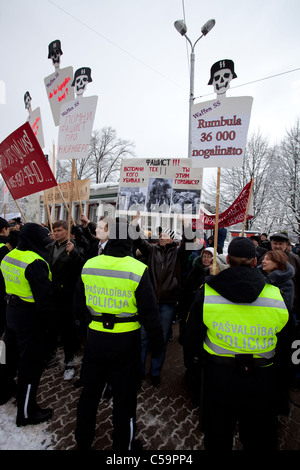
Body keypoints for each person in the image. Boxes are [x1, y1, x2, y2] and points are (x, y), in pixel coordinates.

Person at [185, 236, 290, 450]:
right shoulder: (275, 294)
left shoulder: (208, 292)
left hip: (219, 379)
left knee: (217, 438)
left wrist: (195, 369)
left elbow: (191, 337)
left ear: (229, 261)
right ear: (254, 261)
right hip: (262, 381)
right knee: (259, 440)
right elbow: (288, 342)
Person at [74, 218, 164, 451]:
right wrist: (157, 344)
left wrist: (89, 322)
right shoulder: (137, 268)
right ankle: (123, 446)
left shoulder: (90, 264)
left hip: (95, 338)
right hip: (126, 341)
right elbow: (150, 313)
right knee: (125, 398)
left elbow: (78, 305)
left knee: (90, 393)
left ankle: (83, 441)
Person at [0, 223, 55, 426]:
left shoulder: (9, 255)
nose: (47, 244)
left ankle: (4, 391)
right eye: (44, 240)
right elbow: (45, 301)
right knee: (30, 367)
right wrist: (51, 327)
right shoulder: (35, 262)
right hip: (30, 318)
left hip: (11, 312)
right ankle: (26, 413)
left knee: (9, 357)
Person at [132, 218, 192, 387]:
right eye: (160, 235)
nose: (161, 237)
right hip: (149, 302)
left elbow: (189, 242)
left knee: (162, 338)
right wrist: (136, 223)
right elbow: (137, 238)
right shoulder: (151, 251)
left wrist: (186, 224)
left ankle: (155, 372)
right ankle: (139, 371)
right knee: (143, 337)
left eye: (165, 235)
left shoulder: (178, 254)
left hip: (168, 303)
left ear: (172, 239)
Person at [46, 220, 85, 380]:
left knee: (68, 332)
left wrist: (74, 253)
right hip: (52, 295)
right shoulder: (49, 247)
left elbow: (82, 267)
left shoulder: (75, 247)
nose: (55, 233)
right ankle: (51, 355)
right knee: (51, 328)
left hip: (67, 297)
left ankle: (69, 362)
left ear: (68, 232)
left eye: (59, 230)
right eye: (54, 230)